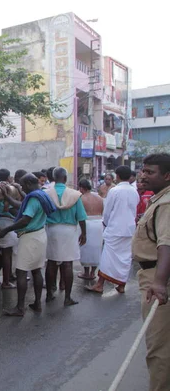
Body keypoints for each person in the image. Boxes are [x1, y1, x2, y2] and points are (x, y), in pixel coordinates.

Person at [131, 153, 170, 391]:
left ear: (167, 176)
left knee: (159, 348)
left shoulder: (166, 204)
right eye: (143, 170)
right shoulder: (158, 199)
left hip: (156, 276)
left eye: (150, 172)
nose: (143, 175)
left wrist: (159, 282)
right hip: (152, 273)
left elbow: (166, 243)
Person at [0, 173, 56, 316]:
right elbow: (23, 204)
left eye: (23, 186)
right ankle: (37, 303)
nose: (22, 188)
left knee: (21, 271)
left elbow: (25, 219)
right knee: (36, 270)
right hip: (40, 234)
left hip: (30, 237)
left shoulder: (34, 198)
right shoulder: (42, 194)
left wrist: (7, 229)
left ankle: (20, 308)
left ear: (29, 185)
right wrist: (9, 197)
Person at [87, 166, 139, 294]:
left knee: (107, 257)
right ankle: (121, 285)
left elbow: (107, 211)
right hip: (129, 229)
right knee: (125, 257)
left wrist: (106, 224)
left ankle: (100, 285)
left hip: (115, 228)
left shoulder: (115, 191)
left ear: (118, 176)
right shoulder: (134, 191)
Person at [43, 168, 87, 306]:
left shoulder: (46, 193)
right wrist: (84, 233)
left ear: (53, 178)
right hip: (68, 230)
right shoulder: (74, 195)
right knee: (67, 264)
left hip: (51, 229)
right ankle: (67, 297)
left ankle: (50, 294)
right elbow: (81, 217)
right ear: (65, 178)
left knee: (51, 262)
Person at [77, 179, 104, 280]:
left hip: (86, 223)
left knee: (85, 247)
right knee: (96, 248)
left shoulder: (81, 198)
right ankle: (93, 272)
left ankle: (86, 272)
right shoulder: (99, 198)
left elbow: (79, 213)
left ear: (81, 188)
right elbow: (102, 211)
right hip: (98, 223)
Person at [0, 168, 17, 289]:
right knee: (6, 253)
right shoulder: (9, 189)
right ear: (9, 177)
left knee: (0, 254)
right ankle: (6, 280)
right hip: (6, 222)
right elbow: (6, 208)